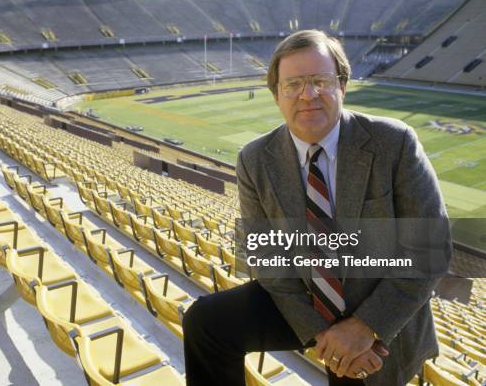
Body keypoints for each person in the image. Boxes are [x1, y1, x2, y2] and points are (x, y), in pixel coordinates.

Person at [182, 30, 451, 386]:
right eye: (293, 84)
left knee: (356, 373)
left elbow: (430, 249)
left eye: (320, 81)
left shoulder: (394, 142)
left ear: (342, 86)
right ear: (276, 95)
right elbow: (268, 263)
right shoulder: (254, 159)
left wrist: (364, 328)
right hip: (305, 301)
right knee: (206, 321)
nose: (308, 95)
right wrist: (324, 336)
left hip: (380, 301)